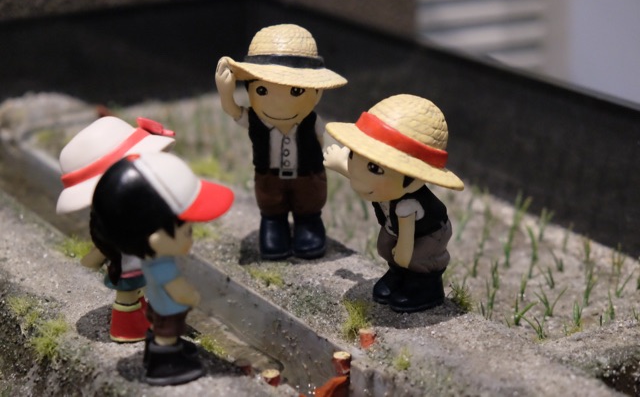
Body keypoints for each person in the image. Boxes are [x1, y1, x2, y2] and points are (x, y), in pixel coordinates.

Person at [90, 152, 233, 385]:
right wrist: (193, 297)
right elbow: (181, 291)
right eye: (187, 231)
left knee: (161, 331)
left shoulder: (149, 259)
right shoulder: (163, 266)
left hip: (157, 306)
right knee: (166, 334)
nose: (191, 237)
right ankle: (165, 363)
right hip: (168, 310)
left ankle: (160, 349)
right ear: (156, 240)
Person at [215, 23, 347, 260]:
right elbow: (234, 111)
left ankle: (308, 225)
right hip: (268, 176)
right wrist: (226, 93)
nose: (278, 104)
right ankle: (274, 226)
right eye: (262, 90)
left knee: (308, 204)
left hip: (308, 175)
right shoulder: (254, 121)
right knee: (270, 205)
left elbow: (324, 141)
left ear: (317, 93)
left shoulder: (312, 122)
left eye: (296, 91)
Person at [323, 94, 464, 313]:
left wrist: (403, 258)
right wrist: (341, 164)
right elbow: (365, 176)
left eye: (375, 168)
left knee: (416, 258)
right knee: (384, 247)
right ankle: (397, 274)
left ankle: (425, 286)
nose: (358, 178)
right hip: (393, 224)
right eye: (353, 155)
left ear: (414, 178)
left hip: (429, 233)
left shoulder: (407, 206)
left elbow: (406, 244)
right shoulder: (384, 185)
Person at [56, 116, 175, 342]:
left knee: (137, 294)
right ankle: (127, 329)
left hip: (137, 262)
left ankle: (140, 319)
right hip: (129, 267)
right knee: (127, 297)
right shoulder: (116, 222)